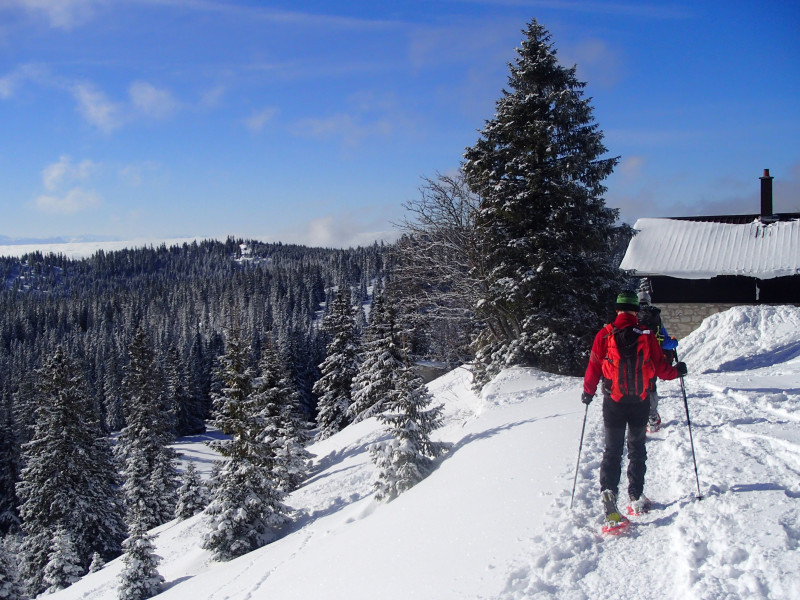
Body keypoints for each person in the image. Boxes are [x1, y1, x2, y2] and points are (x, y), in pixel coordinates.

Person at [582, 290, 687, 531]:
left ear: (618, 309)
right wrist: (677, 370)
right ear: (635, 310)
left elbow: (594, 365)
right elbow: (662, 369)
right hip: (639, 402)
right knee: (637, 449)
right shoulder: (647, 335)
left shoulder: (604, 334)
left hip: (613, 402)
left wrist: (588, 392)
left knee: (612, 450)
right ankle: (636, 497)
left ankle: (609, 494)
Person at [636, 290, 678, 433]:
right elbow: (665, 341)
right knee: (651, 386)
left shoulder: (633, 316)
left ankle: (635, 417)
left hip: (635, 357)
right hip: (653, 358)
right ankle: (652, 419)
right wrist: (674, 343)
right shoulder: (655, 318)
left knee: (635, 386)